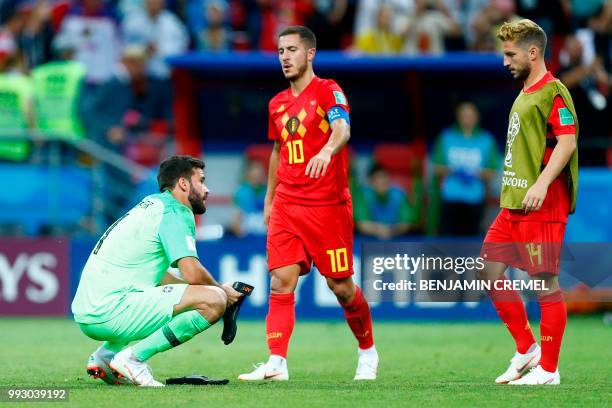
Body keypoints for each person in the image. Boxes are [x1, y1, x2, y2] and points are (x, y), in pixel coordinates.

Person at [238, 26, 377, 381]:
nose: (284, 56)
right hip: (287, 203)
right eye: (280, 50)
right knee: (281, 281)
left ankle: (367, 350)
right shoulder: (276, 103)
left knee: (341, 287)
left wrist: (328, 151)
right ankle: (276, 363)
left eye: (292, 50)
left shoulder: (328, 90)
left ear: (310, 53)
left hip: (327, 207)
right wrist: (269, 199)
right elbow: (277, 150)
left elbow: (342, 128)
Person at [71, 155, 242, 387]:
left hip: (87, 313)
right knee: (214, 299)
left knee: (186, 294)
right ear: (183, 183)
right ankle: (133, 359)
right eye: (201, 181)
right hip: (111, 312)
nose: (207, 189)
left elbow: (160, 277)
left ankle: (106, 356)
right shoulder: (176, 212)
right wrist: (222, 291)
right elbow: (192, 273)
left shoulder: (150, 205)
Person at [478, 19, 578, 385]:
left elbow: (567, 141)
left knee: (544, 284)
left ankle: (549, 370)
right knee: (488, 270)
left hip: (542, 202)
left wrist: (541, 183)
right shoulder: (525, 93)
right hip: (515, 203)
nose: (505, 61)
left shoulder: (554, 92)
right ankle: (526, 349)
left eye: (510, 54)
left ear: (532, 53)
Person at [433, 101, 499, 236]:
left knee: (471, 239)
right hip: (450, 197)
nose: (467, 118)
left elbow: (492, 171)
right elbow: (437, 167)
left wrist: (474, 172)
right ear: (458, 117)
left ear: (477, 117)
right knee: (447, 239)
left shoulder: (486, 140)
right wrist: (454, 170)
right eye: (464, 115)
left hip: (475, 199)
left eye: (470, 115)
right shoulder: (446, 137)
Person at [354, 163, 415, 239]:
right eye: (378, 180)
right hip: (368, 239)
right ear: (370, 181)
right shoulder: (363, 195)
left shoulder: (400, 194)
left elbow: (406, 223)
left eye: (384, 179)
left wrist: (391, 231)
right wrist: (378, 229)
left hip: (396, 238)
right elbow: (361, 224)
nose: (382, 182)